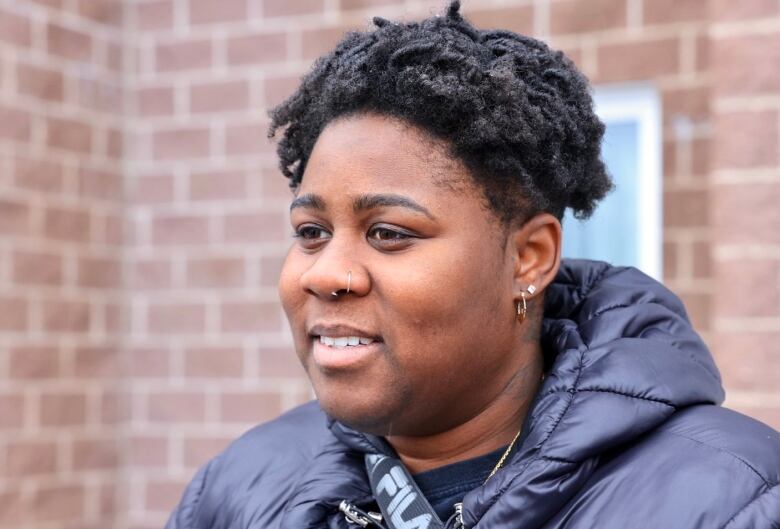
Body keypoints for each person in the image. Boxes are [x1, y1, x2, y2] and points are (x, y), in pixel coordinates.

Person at [165, 2, 780, 528]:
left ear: (528, 258)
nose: (324, 274)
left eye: (388, 232)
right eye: (311, 232)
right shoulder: (237, 489)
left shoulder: (734, 497)